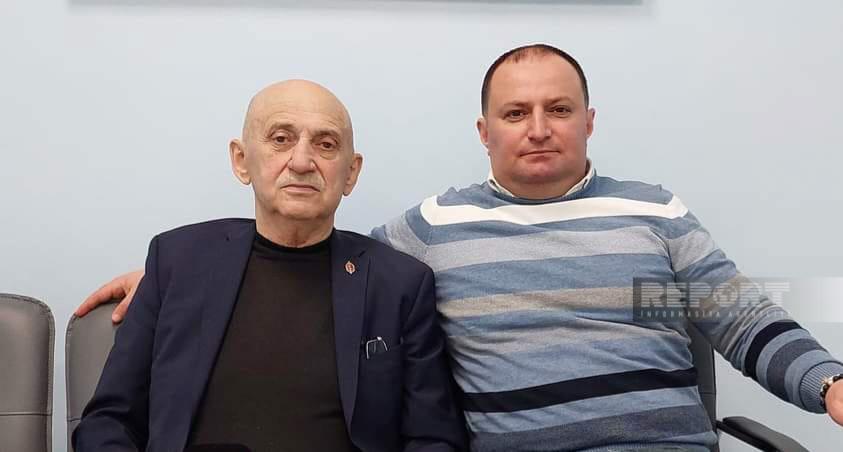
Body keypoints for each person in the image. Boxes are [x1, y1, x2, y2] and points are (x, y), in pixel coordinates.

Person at [78, 45, 843, 451]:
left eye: (557, 109)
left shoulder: (651, 213)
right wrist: (177, 273)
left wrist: (830, 383)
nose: (536, 128)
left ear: (587, 122)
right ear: (484, 131)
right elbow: (303, 251)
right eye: (514, 112)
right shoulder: (433, 231)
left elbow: (739, 318)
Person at [72, 80, 467, 452]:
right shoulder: (175, 262)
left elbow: (433, 439)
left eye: (326, 144)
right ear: (241, 160)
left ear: (351, 173)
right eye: (281, 139)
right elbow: (109, 421)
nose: (302, 161)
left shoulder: (400, 285)